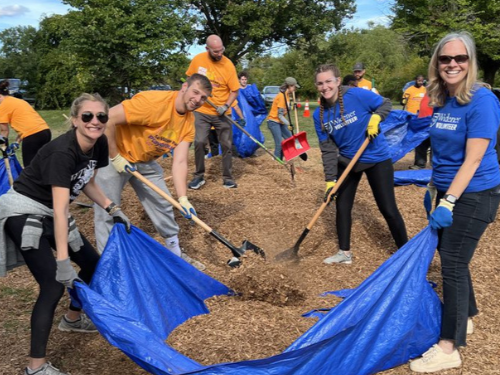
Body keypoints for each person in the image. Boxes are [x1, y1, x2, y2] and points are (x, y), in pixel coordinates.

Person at [0, 93, 132, 375]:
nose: (95, 122)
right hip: (24, 210)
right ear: (74, 120)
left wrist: (112, 207)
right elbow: (61, 211)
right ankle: (35, 368)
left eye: (101, 116)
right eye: (87, 116)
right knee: (52, 284)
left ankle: (72, 319)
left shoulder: (99, 144)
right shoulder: (62, 152)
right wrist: (62, 261)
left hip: (50, 210)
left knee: (93, 264)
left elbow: (86, 182)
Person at [409, 32, 500, 373]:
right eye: (446, 59)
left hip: (475, 194)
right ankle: (466, 317)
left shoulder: (482, 100)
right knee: (453, 259)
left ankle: (449, 347)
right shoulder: (441, 98)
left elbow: (473, 160)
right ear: (436, 63)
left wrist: (448, 201)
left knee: (452, 264)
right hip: (447, 191)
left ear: (470, 62)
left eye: (460, 58)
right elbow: (441, 149)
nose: (452, 64)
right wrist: (436, 189)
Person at [94, 74, 211, 271]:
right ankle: (108, 265)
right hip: (114, 156)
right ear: (185, 87)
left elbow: (180, 161)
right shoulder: (153, 103)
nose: (198, 100)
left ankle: (175, 253)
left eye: (203, 98)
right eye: (196, 92)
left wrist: (183, 198)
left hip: (145, 161)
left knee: (163, 203)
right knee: (108, 209)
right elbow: (108, 118)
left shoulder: (188, 123)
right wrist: (115, 156)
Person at [313, 63, 408, 265]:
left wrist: (376, 117)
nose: (325, 87)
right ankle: (344, 253)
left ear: (338, 81)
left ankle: (406, 252)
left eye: (329, 81)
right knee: (342, 206)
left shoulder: (356, 95)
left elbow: (385, 103)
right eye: (320, 83)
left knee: (388, 208)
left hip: (376, 158)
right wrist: (330, 180)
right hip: (348, 161)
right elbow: (328, 149)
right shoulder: (318, 115)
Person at [186, 34, 240, 189]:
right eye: (215, 51)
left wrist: (226, 106)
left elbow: (234, 90)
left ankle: (228, 178)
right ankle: (198, 176)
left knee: (227, 145)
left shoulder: (228, 65)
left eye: (221, 50)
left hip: (222, 112)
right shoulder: (198, 60)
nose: (219, 54)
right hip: (202, 109)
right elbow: (189, 80)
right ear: (207, 49)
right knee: (200, 141)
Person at [0, 79, 51, 166]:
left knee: (30, 168)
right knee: (42, 165)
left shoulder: (3, 106)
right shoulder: (18, 101)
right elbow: (27, 124)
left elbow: (4, 131)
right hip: (45, 132)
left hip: (33, 137)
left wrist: (4, 147)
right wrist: (17, 142)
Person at [266, 77, 299, 159]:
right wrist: (289, 124)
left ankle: (282, 156)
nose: (295, 89)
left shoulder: (287, 96)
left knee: (289, 139)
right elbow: (280, 115)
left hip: (280, 122)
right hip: (273, 121)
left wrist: (292, 107)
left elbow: (285, 110)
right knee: (279, 143)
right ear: (290, 86)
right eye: (294, 87)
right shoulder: (281, 96)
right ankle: (276, 160)